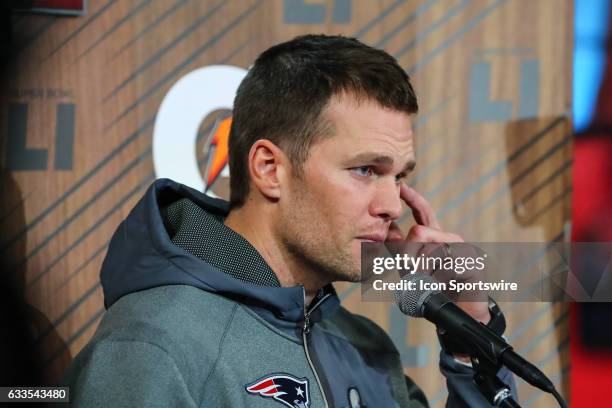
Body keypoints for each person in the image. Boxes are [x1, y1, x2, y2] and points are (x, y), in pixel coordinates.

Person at [63, 34, 515, 407]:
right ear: (269, 169)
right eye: (365, 171)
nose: (392, 205)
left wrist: (469, 336)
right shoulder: (154, 348)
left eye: (399, 176)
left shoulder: (364, 346)